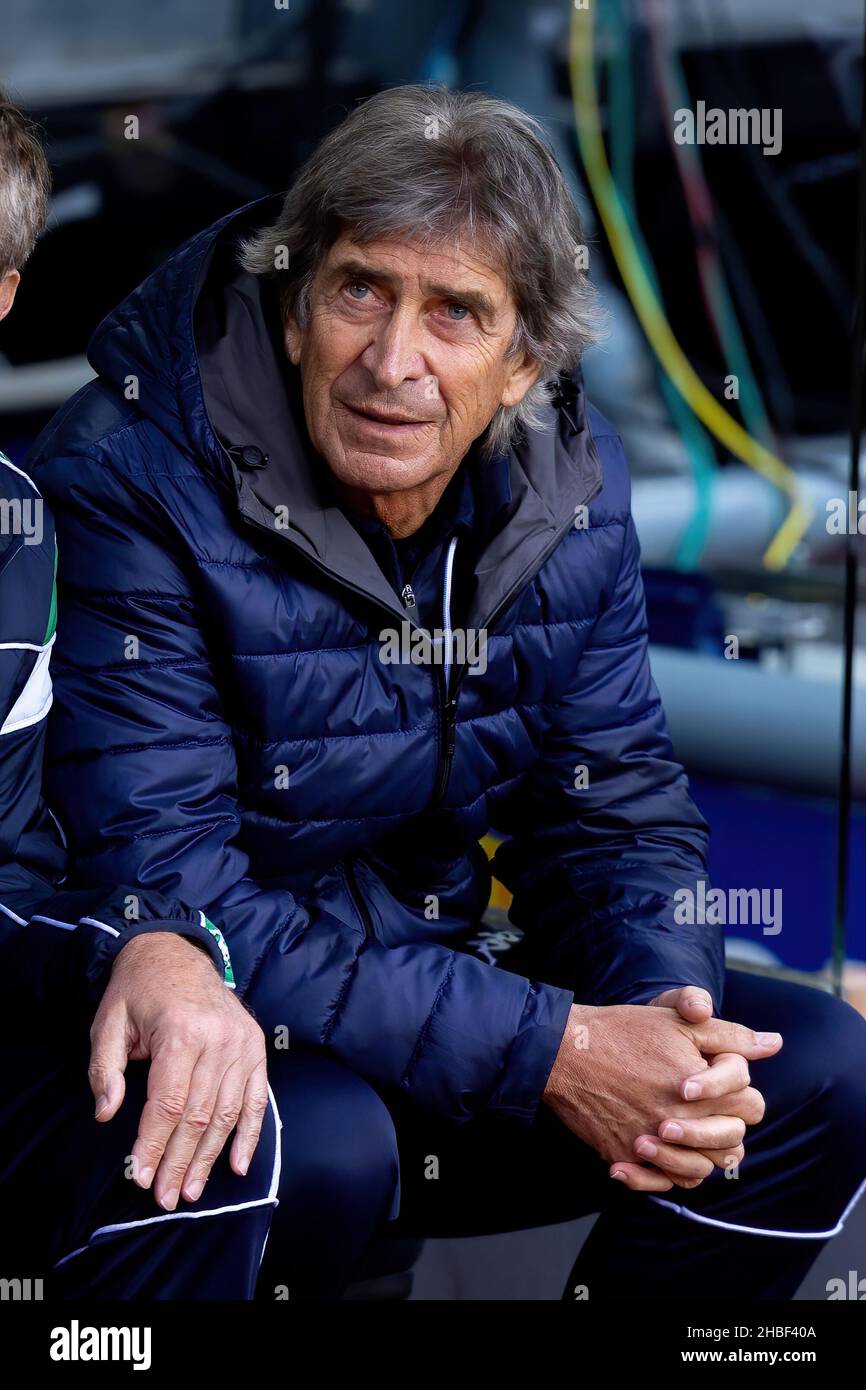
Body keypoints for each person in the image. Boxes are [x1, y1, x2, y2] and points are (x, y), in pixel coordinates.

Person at [25, 83, 866, 1300]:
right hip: (190, 1024)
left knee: (812, 1071)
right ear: (295, 298)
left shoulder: (566, 487)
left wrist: (656, 1016)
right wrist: (554, 1052)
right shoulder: (128, 474)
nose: (392, 361)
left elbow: (612, 806)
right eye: (360, 288)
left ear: (523, 359)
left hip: (429, 1000)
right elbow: (172, 891)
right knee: (311, 1140)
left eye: (455, 313)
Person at [0, 87, 277, 1300]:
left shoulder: (16, 533)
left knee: (225, 1139)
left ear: (2, 293)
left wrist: (151, 949)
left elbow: (9, 885)